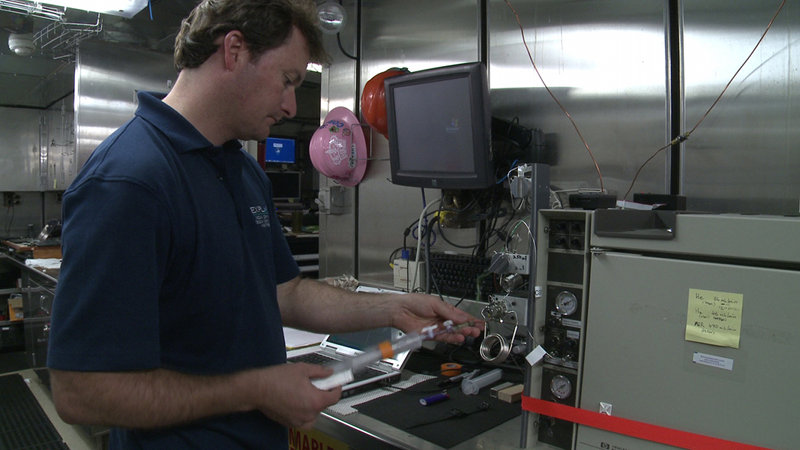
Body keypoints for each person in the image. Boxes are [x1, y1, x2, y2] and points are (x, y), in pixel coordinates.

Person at [45, 0, 482, 448]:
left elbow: (283, 292)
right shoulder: (129, 182)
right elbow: (83, 391)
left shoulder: (243, 171)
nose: (292, 105)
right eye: (287, 80)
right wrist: (256, 389)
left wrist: (394, 310)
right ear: (233, 51)